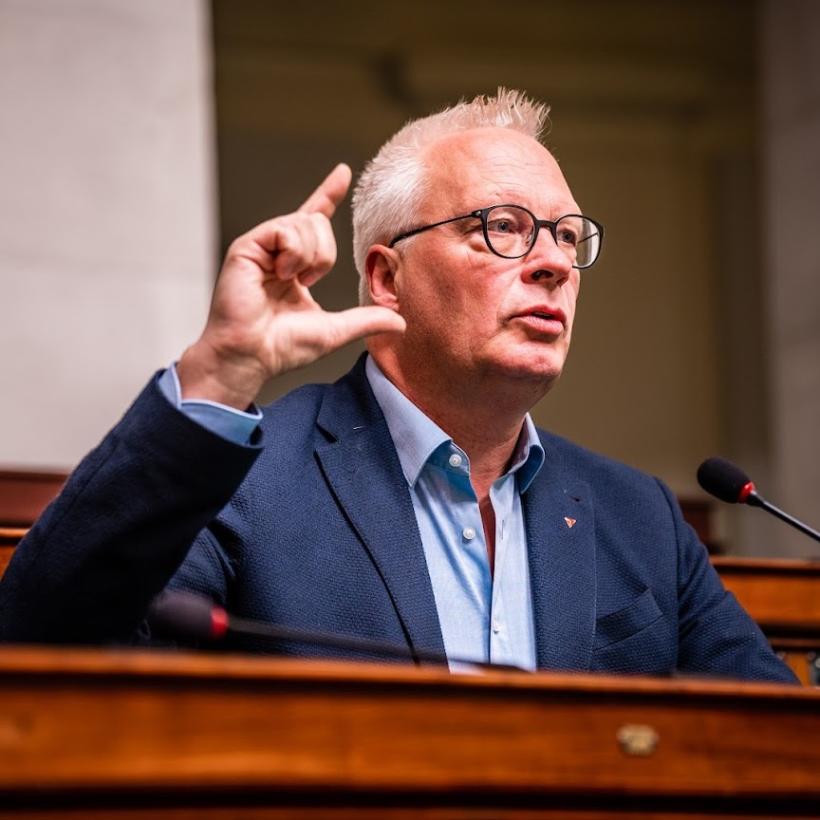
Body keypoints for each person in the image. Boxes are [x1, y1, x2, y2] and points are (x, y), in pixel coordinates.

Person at [0, 90, 795, 682]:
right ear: (386, 276)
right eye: (505, 227)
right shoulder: (249, 482)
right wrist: (218, 372)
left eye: (565, 236)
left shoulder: (639, 517)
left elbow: (773, 742)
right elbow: (37, 643)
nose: (553, 262)